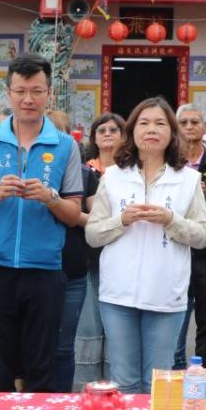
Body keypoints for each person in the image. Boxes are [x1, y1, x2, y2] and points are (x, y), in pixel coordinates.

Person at [0, 53, 84, 392]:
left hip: (44, 270)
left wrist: (50, 198)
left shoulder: (66, 146)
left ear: (49, 94)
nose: (28, 99)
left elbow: (74, 214)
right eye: (20, 91)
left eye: (36, 91)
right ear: (9, 93)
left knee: (42, 367)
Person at [85, 97, 206, 393]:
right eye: (143, 123)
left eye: (159, 123)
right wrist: (122, 220)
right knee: (125, 382)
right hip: (117, 295)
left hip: (166, 295)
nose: (151, 129)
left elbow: (203, 235)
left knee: (158, 384)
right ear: (132, 131)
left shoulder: (188, 179)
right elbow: (92, 234)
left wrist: (171, 219)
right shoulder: (114, 177)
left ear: (171, 132)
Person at [47, 109, 100, 392]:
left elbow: (98, 221)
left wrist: (63, 208)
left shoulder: (84, 174)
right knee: (34, 345)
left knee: (64, 346)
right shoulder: (26, 172)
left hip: (72, 270)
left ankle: (60, 403)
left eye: (59, 134)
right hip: (35, 269)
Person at [76, 112, 126, 383]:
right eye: (102, 130)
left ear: (123, 136)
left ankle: (116, 384)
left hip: (122, 256)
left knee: (117, 326)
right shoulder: (84, 171)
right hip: (89, 255)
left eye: (114, 130)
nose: (107, 134)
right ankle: (87, 386)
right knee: (89, 323)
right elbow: (89, 218)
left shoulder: (130, 173)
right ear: (94, 138)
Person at [174, 103, 206, 369]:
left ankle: (200, 371)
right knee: (175, 313)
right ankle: (175, 366)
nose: (190, 127)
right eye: (184, 123)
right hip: (177, 247)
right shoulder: (170, 164)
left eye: (196, 122)